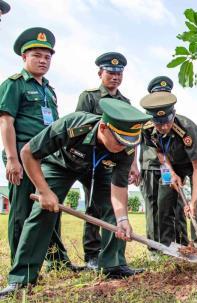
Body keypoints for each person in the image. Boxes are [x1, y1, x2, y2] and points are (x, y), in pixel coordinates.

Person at [0, 99, 151, 298]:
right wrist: (44, 191)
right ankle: (21, 279)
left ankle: (113, 265)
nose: (124, 147)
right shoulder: (74, 125)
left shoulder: (127, 146)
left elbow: (119, 187)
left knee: (114, 213)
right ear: (104, 128)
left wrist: (123, 219)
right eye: (120, 142)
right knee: (43, 212)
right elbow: (28, 153)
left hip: (100, 168)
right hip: (61, 165)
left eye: (128, 143)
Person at [0, 27, 75, 270]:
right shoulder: (14, 85)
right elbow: (5, 122)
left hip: (48, 158)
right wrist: (12, 158)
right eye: (37, 56)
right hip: (22, 155)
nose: (43, 61)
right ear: (24, 58)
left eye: (47, 57)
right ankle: (20, 267)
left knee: (50, 207)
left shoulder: (49, 91)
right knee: (21, 212)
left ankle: (57, 262)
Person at [76, 52, 139, 270]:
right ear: (100, 73)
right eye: (111, 72)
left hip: (116, 161)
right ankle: (92, 255)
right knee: (93, 206)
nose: (115, 77)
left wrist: (133, 164)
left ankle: (114, 260)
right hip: (91, 161)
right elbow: (79, 129)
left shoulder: (125, 102)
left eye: (119, 73)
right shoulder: (89, 97)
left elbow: (132, 137)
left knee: (117, 208)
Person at [139, 76, 197, 248]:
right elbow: (160, 152)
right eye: (159, 123)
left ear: (174, 114)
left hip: (195, 161)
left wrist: (192, 201)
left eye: (167, 122)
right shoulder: (147, 129)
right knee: (164, 201)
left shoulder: (187, 129)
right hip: (171, 162)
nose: (163, 127)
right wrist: (171, 173)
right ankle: (165, 248)